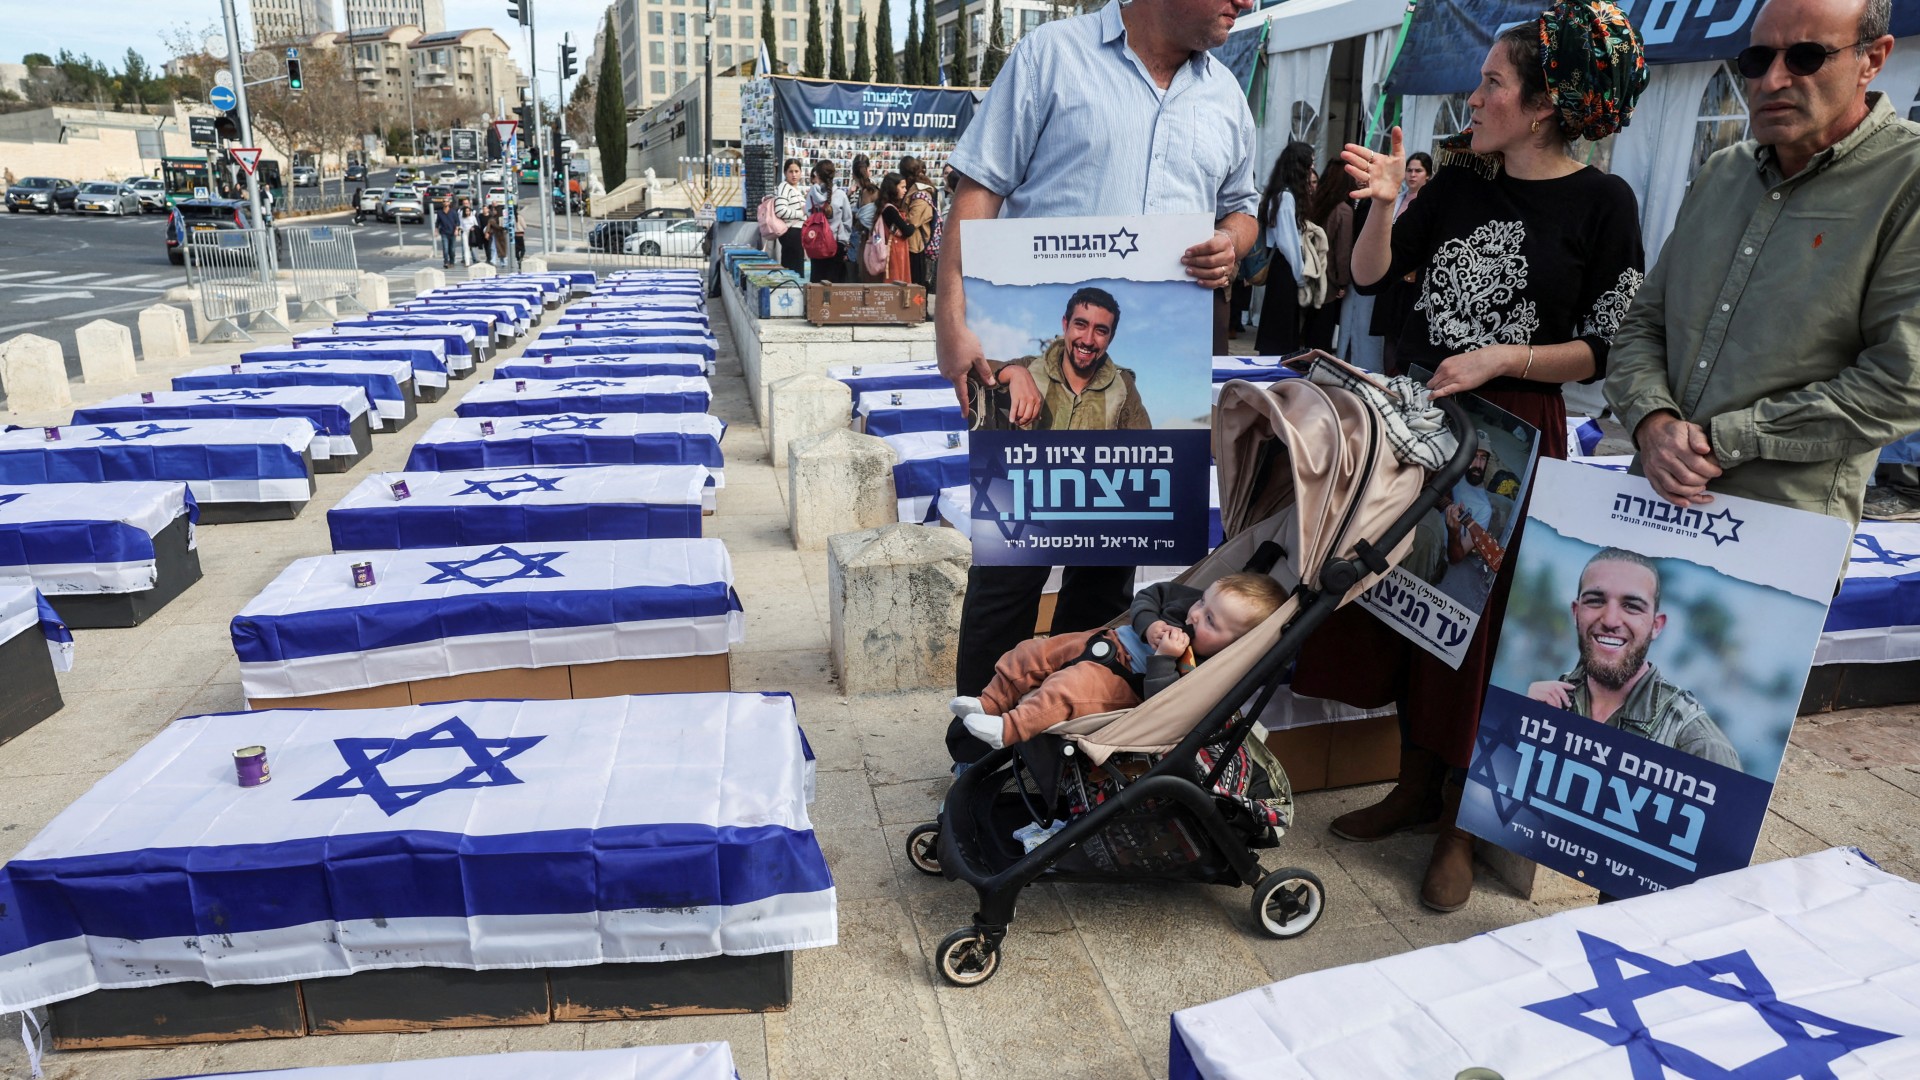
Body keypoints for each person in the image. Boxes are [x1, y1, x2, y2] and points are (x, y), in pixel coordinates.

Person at [1300, 0, 1650, 914]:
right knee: (1406, 598)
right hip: (1423, 415)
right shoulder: (1457, 181)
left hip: (1515, 428)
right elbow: (1371, 277)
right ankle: (1414, 785)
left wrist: (1504, 358)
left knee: (1479, 619)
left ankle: (1462, 818)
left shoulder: (1604, 202)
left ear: (1542, 104)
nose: (1475, 95)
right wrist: (1385, 206)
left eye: (1492, 81)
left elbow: (1606, 347)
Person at [935, 0, 1260, 764]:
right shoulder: (1051, 57)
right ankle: (978, 768)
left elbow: (1243, 208)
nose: (1246, 4)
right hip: (1027, 402)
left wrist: (1231, 243)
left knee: (1105, 592)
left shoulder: (1226, 95)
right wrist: (952, 319)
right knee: (1007, 582)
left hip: (1149, 397)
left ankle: (1064, 762)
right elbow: (977, 193)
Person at [1606, 0, 1918, 529]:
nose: (1772, 81)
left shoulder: (1906, 179)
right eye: (1756, 60)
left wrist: (1729, 440)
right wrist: (1652, 420)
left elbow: (1901, 380)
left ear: (1873, 58)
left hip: (1781, 531)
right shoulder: (1722, 172)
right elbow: (1644, 325)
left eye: (1805, 57)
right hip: (1651, 503)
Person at [951, 573, 1287, 749]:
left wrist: (1164, 659)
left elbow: (1165, 703)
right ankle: (990, 702)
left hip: (1123, 680)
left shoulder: (1203, 667)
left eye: (1211, 621)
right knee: (1031, 651)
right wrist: (1149, 624)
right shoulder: (1188, 603)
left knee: (1067, 686)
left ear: (1234, 645)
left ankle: (1009, 729)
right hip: (1108, 638)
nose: (1196, 615)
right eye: (1202, 603)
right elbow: (1148, 596)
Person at [1526, 548, 1740, 770]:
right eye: (1595, 601)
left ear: (1656, 626)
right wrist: (1518, 717)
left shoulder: (1700, 746)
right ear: (1575, 613)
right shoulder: (1549, 702)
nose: (1610, 620)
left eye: (1631, 606)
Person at [980, 287, 1153, 432]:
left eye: (1100, 330)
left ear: (1111, 337)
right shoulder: (1029, 368)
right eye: (1080, 325)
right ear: (1065, 324)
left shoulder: (1123, 385)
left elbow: (1144, 451)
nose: (1088, 340)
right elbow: (970, 370)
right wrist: (1013, 372)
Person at [1345, 151, 1433, 373]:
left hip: (1414, 288)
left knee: (1404, 337)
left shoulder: (1429, 204)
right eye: (1409, 170)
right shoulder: (1396, 198)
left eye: (1418, 171)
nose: (1412, 175)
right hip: (1392, 284)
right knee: (1388, 335)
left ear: (1428, 175)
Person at [1254, 142, 1314, 357]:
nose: (1311, 170)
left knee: (1276, 323)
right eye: (1309, 164)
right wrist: (1300, 276)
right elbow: (1289, 243)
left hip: (1280, 264)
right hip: (1285, 265)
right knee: (1282, 326)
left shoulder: (1279, 193)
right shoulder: (1286, 196)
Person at [1302, 160, 1358, 352]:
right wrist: (1343, 282)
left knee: (1309, 332)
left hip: (1310, 275)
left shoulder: (1315, 204)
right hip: (1328, 283)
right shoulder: (1344, 211)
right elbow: (1343, 252)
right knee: (1321, 339)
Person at [805, 159, 853, 284]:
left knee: (816, 280)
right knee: (834, 283)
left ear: (817, 175)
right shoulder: (841, 195)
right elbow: (847, 220)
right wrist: (844, 240)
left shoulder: (811, 195)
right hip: (836, 244)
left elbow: (808, 216)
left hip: (816, 243)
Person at [900, 156, 939, 290]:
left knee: (917, 286)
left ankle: (920, 304)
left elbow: (913, 220)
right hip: (911, 244)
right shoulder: (915, 190)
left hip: (917, 245)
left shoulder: (920, 193)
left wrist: (898, 218)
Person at [876, 172, 915, 284]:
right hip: (895, 252)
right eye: (902, 187)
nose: (905, 190)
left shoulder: (883, 207)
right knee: (896, 283)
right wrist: (912, 225)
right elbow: (907, 231)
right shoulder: (890, 210)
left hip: (891, 249)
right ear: (893, 188)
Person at [774, 158, 808, 274]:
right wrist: (801, 213)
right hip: (791, 233)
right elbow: (780, 210)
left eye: (796, 171)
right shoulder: (784, 187)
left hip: (797, 233)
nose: (794, 175)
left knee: (795, 269)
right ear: (785, 173)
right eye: (791, 171)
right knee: (794, 271)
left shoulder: (795, 189)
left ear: (801, 172)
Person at [850, 153, 881, 281]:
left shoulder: (867, 191)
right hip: (871, 239)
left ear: (853, 174)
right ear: (868, 170)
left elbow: (863, 221)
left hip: (867, 239)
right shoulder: (871, 190)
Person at [435, 195, 460, 268]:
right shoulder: (440, 212)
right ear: (442, 203)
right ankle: (446, 262)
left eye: (447, 201)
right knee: (445, 248)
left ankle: (452, 261)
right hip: (444, 233)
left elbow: (457, 222)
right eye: (444, 201)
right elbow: (437, 222)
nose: (445, 203)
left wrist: (456, 230)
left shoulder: (453, 212)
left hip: (452, 232)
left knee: (452, 249)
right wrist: (436, 230)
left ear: (449, 203)